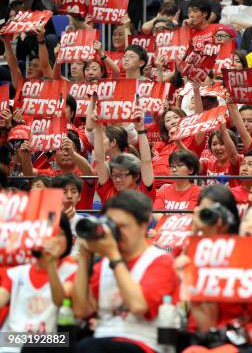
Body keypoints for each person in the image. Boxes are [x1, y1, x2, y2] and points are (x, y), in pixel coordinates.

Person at [73, 190, 180, 353]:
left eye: (123, 226)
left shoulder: (161, 260)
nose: (116, 232)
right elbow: (82, 310)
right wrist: (84, 256)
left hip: (145, 343)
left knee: (87, 347)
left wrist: (114, 256)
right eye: (111, 225)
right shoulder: (103, 262)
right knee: (41, 343)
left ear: (144, 224)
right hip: (102, 338)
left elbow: (138, 306)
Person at [0, 215, 76, 341]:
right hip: (11, 339)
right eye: (50, 233)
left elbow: (60, 300)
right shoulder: (18, 271)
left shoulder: (72, 270)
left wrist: (51, 263)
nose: (54, 239)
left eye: (61, 234)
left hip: (50, 342)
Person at [153, 149, 201, 217]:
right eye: (172, 166)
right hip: (164, 227)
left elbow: (190, 216)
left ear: (191, 170)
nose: (174, 169)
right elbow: (156, 214)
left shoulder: (198, 192)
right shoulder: (163, 191)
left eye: (179, 165)